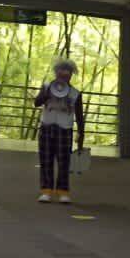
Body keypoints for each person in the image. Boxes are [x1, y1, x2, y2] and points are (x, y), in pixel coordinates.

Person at [34, 59, 86, 204]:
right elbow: (36, 103)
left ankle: (63, 192)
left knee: (64, 162)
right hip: (47, 126)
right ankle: (46, 191)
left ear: (70, 76)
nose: (63, 76)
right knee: (45, 160)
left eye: (66, 74)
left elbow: (80, 116)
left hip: (65, 129)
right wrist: (45, 93)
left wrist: (81, 135)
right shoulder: (46, 87)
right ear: (56, 74)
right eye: (60, 73)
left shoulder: (75, 93)